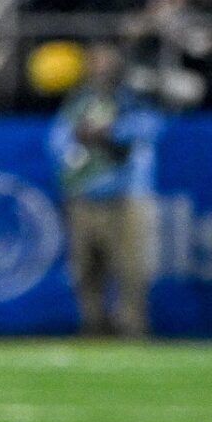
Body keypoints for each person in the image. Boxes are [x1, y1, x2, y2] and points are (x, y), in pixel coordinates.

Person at [49, 42, 160, 337]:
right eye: (96, 63)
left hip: (125, 196)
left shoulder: (131, 101)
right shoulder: (78, 104)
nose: (101, 70)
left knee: (130, 270)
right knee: (85, 269)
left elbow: (151, 128)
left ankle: (132, 327)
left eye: (107, 64)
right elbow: (57, 143)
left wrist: (113, 132)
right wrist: (79, 138)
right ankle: (93, 324)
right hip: (84, 197)